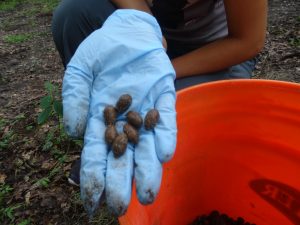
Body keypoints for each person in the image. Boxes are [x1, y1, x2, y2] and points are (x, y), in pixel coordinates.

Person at [51, 0, 267, 217]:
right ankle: (101, 143)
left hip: (215, 48)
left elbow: (248, 41)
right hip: (151, 34)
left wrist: (163, 70)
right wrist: (142, 21)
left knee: (184, 114)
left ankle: (159, 171)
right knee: (73, 13)